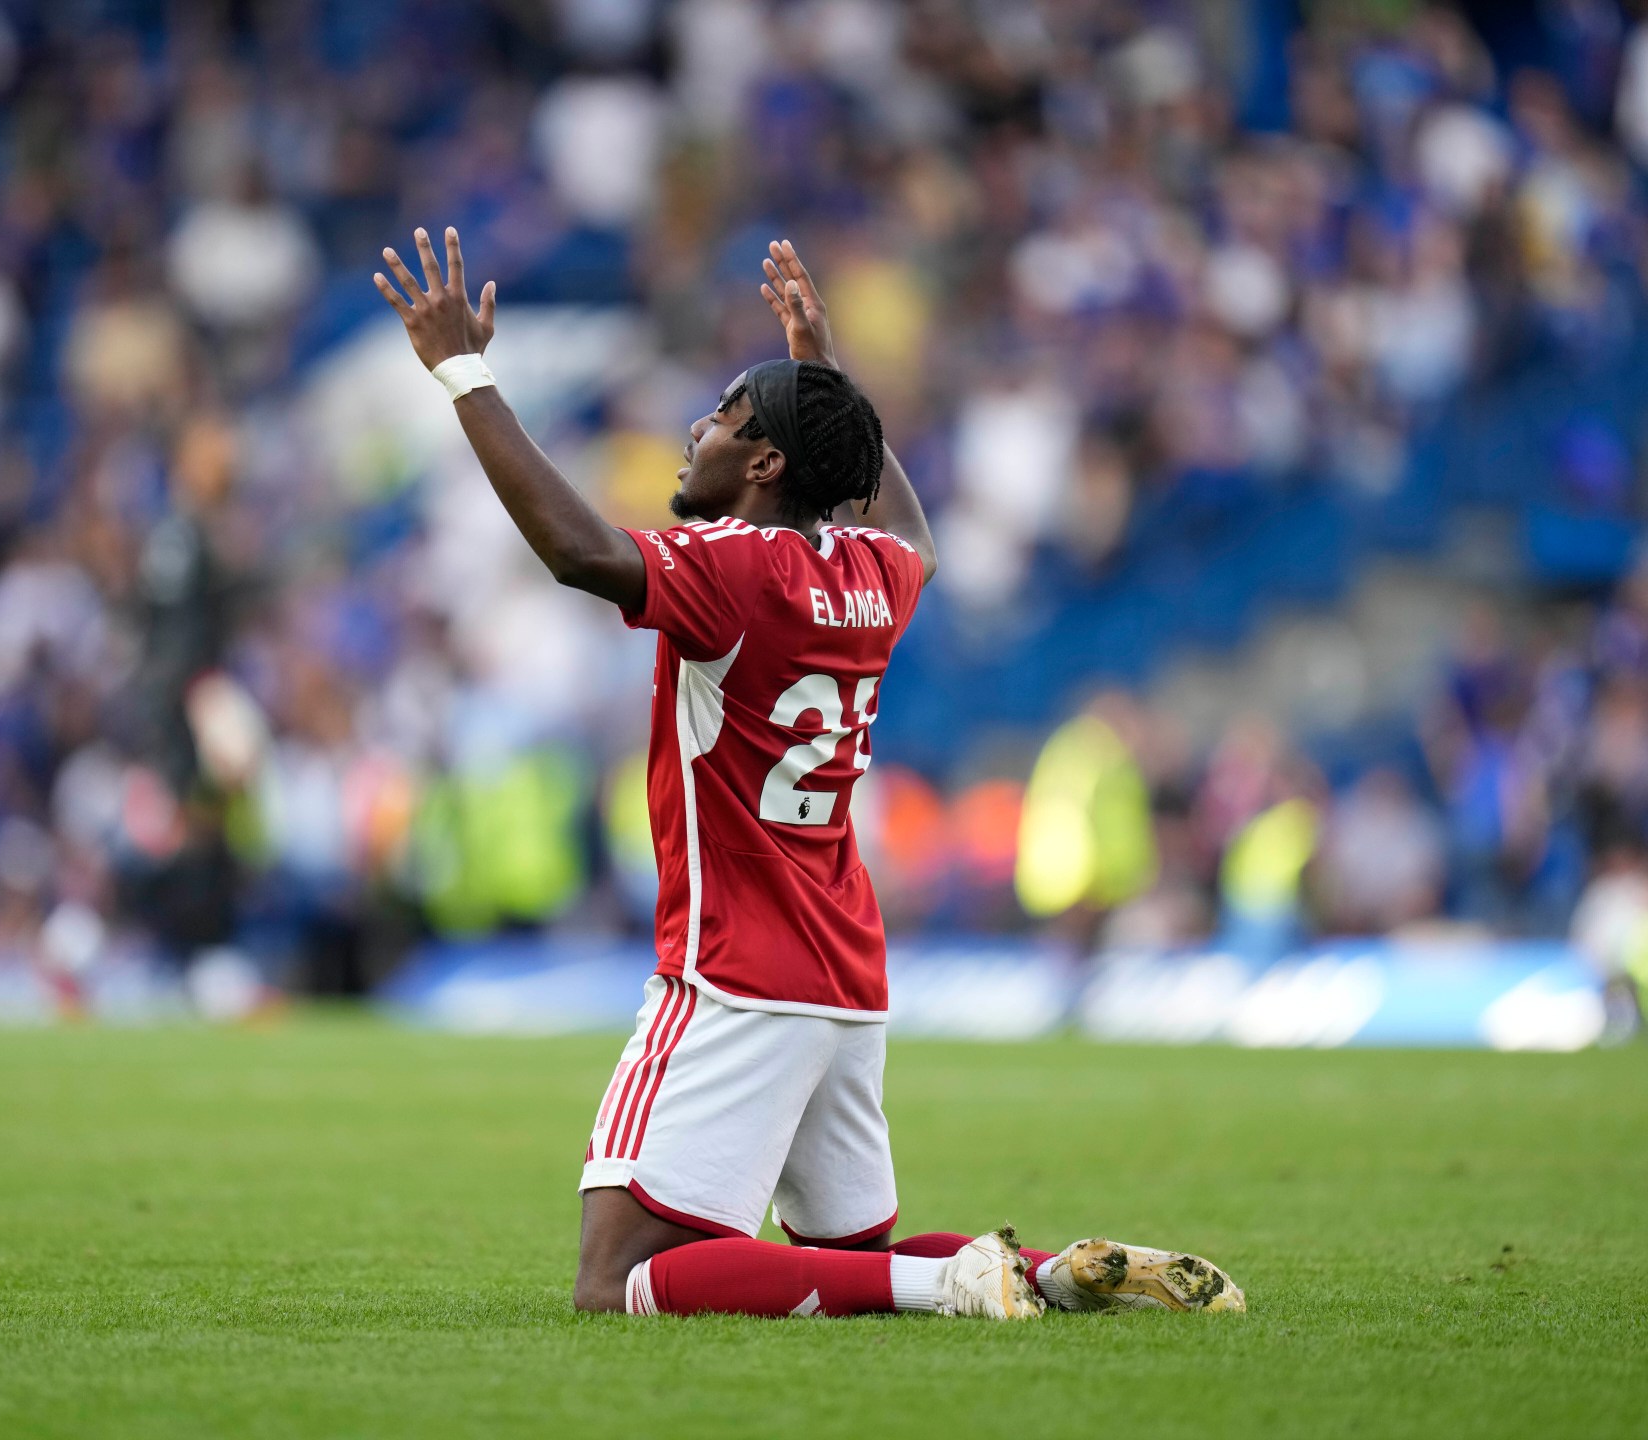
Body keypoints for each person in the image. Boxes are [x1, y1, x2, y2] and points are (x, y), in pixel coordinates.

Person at [374, 229, 1246, 1320]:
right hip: (844, 971)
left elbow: (578, 552)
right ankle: (1044, 1274)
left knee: (617, 1281)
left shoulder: (731, 570)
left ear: (765, 465)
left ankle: (954, 1281)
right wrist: (826, 375)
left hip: (733, 968)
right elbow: (917, 535)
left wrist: (464, 372)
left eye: (723, 418)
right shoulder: (877, 573)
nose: (696, 431)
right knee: (847, 1257)